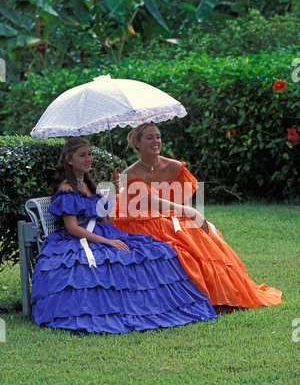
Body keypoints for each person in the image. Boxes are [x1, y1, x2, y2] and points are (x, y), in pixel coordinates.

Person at [30, 137, 218, 333]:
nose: (88, 159)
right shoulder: (66, 188)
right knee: (116, 258)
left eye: (90, 154)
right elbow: (73, 229)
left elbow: (107, 221)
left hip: (104, 232)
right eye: (82, 155)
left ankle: (152, 307)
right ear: (69, 160)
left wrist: (112, 190)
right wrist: (108, 241)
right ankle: (119, 310)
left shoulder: (87, 184)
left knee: (159, 250)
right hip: (80, 239)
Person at [113, 122, 282, 310]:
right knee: (174, 246)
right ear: (137, 143)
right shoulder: (129, 174)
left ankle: (218, 296)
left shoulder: (175, 167)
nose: (156, 141)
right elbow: (150, 202)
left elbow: (184, 203)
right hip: (146, 224)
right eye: (150, 137)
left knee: (202, 239)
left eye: (158, 136)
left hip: (175, 220)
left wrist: (190, 216)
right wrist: (190, 212)